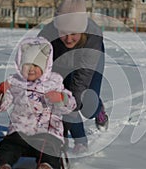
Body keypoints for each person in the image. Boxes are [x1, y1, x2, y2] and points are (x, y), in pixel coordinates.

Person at [0, 37, 77, 169]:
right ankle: (1, 165)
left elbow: (70, 106)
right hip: (20, 131)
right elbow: (2, 106)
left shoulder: (54, 83)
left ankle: (47, 166)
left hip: (47, 132)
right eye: (27, 65)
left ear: (45, 67)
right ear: (20, 65)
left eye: (36, 65)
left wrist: (61, 98)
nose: (31, 69)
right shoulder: (15, 82)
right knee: (8, 147)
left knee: (50, 149)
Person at [38, 0, 108, 154]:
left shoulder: (93, 36)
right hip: (61, 62)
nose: (68, 39)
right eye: (63, 33)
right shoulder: (47, 34)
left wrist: (69, 101)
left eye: (74, 34)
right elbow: (36, 63)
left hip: (89, 65)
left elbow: (80, 82)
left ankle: (99, 109)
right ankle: (80, 141)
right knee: (62, 97)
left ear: (82, 30)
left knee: (85, 103)